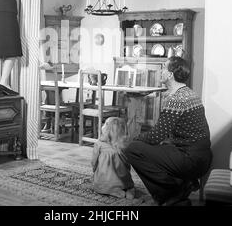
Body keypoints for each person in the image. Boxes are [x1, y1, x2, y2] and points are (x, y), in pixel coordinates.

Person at [124, 56, 212, 206]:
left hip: (191, 160)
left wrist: (134, 139)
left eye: (164, 67)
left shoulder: (176, 98)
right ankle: (183, 185)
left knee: (133, 149)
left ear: (170, 75)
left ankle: (171, 194)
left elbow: (156, 136)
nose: (161, 70)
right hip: (203, 156)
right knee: (157, 147)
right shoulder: (190, 93)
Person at [91, 116, 135, 199]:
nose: (103, 125)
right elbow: (127, 164)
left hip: (103, 183)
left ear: (106, 130)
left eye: (105, 124)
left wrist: (94, 170)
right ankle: (128, 190)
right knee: (127, 183)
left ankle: (114, 191)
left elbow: (94, 162)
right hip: (122, 179)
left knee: (101, 184)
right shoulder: (124, 146)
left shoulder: (99, 144)